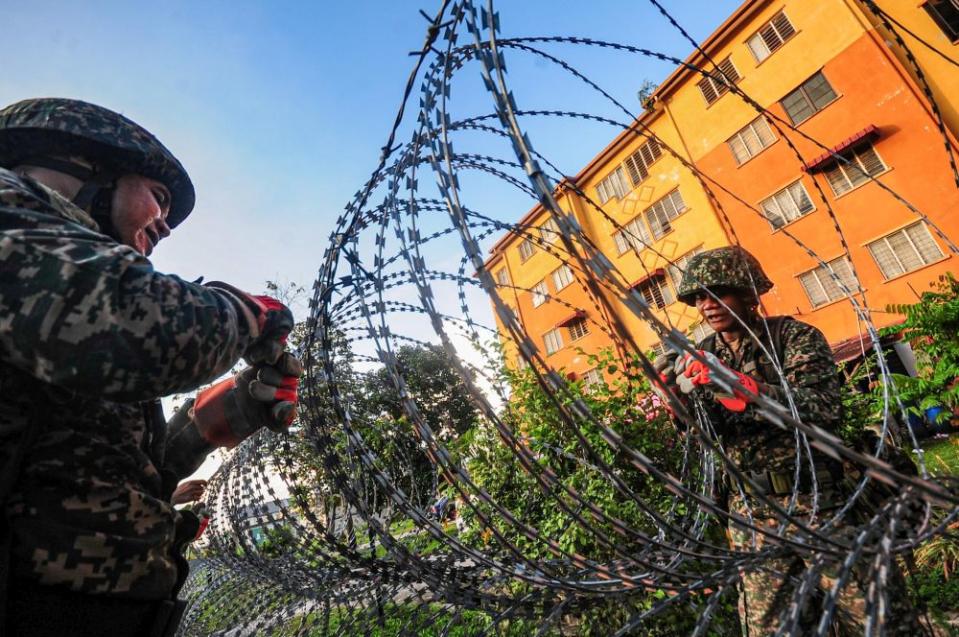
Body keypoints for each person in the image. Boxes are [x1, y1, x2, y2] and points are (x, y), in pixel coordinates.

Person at [0, 98, 303, 636]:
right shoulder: (12, 216)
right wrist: (247, 313)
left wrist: (214, 420)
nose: (164, 225)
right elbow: (138, 322)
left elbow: (117, 476)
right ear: (85, 165)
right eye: (158, 199)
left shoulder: (67, 282)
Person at [656, 246, 922, 636]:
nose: (706, 306)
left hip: (818, 503)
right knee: (772, 627)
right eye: (698, 298)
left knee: (876, 618)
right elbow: (709, 433)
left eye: (717, 294)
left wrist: (748, 388)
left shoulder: (792, 337)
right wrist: (677, 401)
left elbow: (821, 409)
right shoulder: (705, 354)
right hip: (751, 514)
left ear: (747, 293)